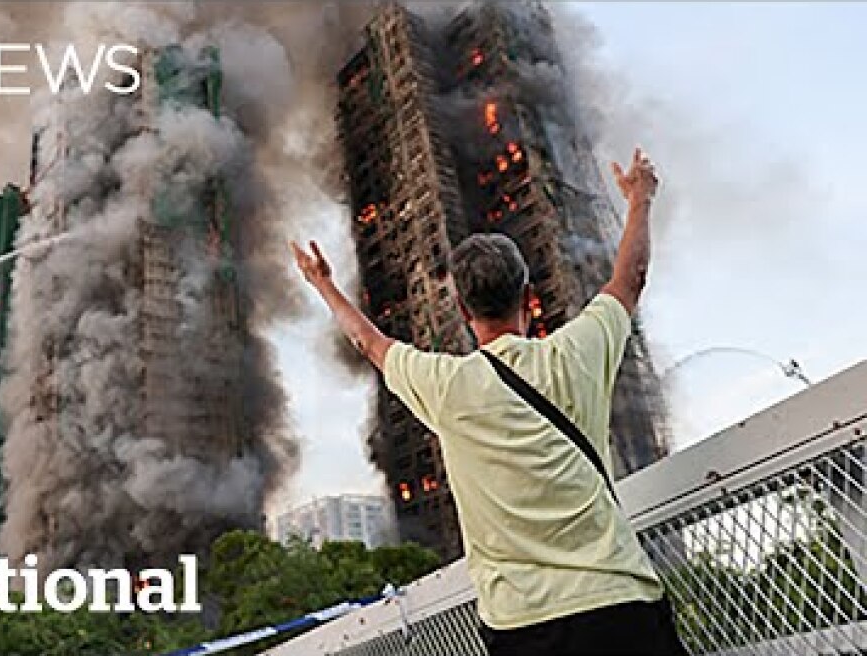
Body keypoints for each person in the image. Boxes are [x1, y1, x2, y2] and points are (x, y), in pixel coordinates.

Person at [290, 148, 688, 656]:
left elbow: (368, 341)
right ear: (529, 297)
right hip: (620, 606)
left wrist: (322, 283)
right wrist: (639, 200)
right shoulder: (577, 352)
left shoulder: (446, 384)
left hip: (522, 629)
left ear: (460, 309)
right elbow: (628, 280)